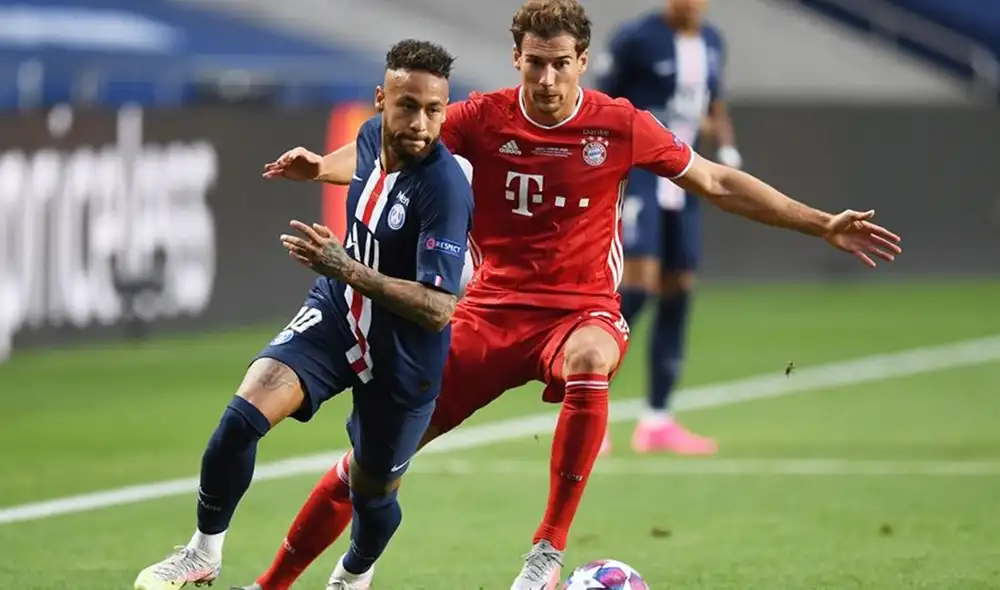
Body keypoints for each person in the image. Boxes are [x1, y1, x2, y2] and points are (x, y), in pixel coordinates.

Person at [243, 1, 902, 589]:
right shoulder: (481, 116)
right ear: (516, 60)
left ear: (583, 61)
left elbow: (716, 182)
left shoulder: (619, 124)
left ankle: (547, 551)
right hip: (489, 313)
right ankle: (272, 584)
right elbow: (395, 148)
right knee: (372, 462)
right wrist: (319, 167)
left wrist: (819, 222)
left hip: (580, 311)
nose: (549, 80)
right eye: (536, 64)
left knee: (591, 358)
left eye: (561, 64)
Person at [133, 39, 474, 590]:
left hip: (404, 353)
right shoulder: (369, 136)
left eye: (434, 110)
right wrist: (318, 168)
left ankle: (353, 573)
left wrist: (347, 267)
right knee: (241, 418)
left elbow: (438, 309)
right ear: (380, 100)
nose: (420, 123)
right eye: (407, 106)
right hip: (339, 314)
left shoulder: (444, 189)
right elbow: (361, 158)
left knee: (372, 491)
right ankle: (202, 552)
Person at [594, 0, 739, 455]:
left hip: (687, 174)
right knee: (636, 286)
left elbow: (713, 104)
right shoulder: (636, 38)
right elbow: (601, 102)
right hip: (640, 171)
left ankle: (657, 420)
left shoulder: (713, 42)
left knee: (679, 286)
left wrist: (727, 146)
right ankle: (587, 402)